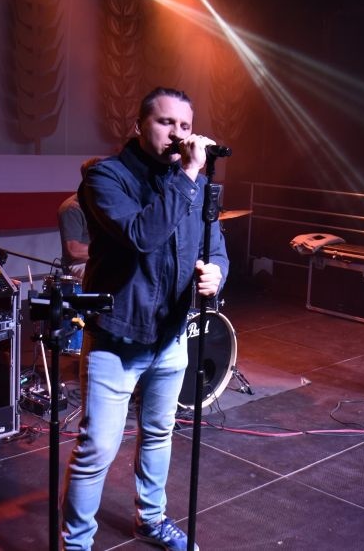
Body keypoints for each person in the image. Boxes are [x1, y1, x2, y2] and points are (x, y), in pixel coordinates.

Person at [61, 87, 229, 551]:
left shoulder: (196, 186)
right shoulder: (106, 177)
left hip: (171, 336)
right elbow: (141, 235)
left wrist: (217, 272)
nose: (177, 134)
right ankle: (76, 544)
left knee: (159, 434)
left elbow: (215, 245)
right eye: (165, 122)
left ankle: (150, 520)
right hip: (116, 337)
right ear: (138, 126)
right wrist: (189, 175)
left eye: (185, 126)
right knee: (97, 448)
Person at [57, 157, 102, 279]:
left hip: (101, 258)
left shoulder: (105, 203)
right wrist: (108, 249)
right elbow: (73, 250)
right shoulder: (72, 208)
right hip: (79, 264)